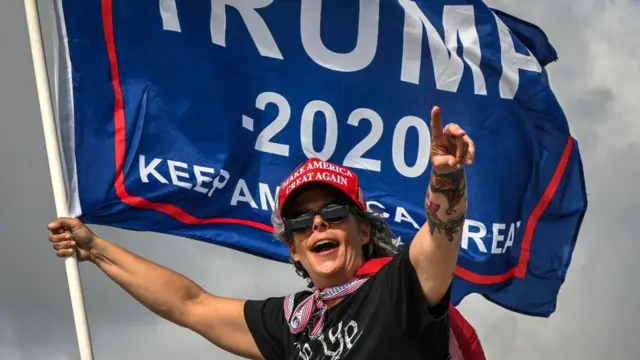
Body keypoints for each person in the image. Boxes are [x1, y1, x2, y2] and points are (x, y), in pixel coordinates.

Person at [47, 106, 479, 359]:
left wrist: (446, 178)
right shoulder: (293, 324)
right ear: (293, 250)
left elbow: (441, 232)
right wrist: (98, 249)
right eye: (300, 222)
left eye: (332, 211)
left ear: (364, 230)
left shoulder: (399, 288)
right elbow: (190, 304)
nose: (317, 224)